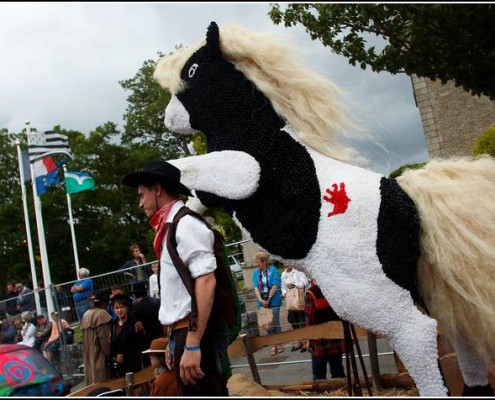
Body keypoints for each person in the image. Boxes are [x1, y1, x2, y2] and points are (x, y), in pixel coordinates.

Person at [122, 160, 229, 396]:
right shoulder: (172, 228)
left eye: (141, 195)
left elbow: (206, 281)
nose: (140, 203)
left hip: (194, 333)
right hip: (183, 333)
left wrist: (192, 341)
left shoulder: (186, 224)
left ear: (157, 189)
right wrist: (173, 339)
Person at [304, 279, 346, 380]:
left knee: (319, 376)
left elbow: (309, 319)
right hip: (336, 338)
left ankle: (322, 394)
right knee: (338, 372)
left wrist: (307, 340)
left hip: (319, 340)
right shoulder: (335, 289)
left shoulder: (312, 293)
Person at [252, 251, 283, 356]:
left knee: (275, 321)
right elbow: (256, 288)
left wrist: (268, 299)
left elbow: (275, 285)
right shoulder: (255, 273)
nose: (256, 265)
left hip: (273, 300)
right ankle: (272, 344)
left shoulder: (273, 270)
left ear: (264, 261)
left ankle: (278, 343)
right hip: (262, 301)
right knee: (267, 323)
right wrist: (261, 300)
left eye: (258, 262)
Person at [80, 291, 113, 386]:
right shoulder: (101, 314)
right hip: (98, 351)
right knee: (102, 381)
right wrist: (109, 354)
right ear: (104, 303)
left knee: (92, 380)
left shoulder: (86, 314)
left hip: (88, 352)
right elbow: (104, 339)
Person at [109, 293, 146, 378]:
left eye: (122, 307)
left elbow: (141, 344)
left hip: (133, 362)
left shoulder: (135, 324)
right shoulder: (113, 325)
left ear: (127, 308)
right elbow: (112, 344)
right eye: (116, 308)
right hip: (119, 365)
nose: (119, 310)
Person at [130, 281, 162, 368]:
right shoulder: (157, 302)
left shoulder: (136, 308)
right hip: (160, 336)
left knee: (149, 366)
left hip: (146, 341)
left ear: (134, 295)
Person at [281, 263, 309, 352]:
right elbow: (283, 287)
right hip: (290, 300)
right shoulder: (283, 274)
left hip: (300, 299)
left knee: (302, 320)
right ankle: (299, 341)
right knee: (293, 320)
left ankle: (306, 341)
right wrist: (285, 293)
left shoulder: (298, 271)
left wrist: (294, 284)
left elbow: (305, 283)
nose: (287, 264)